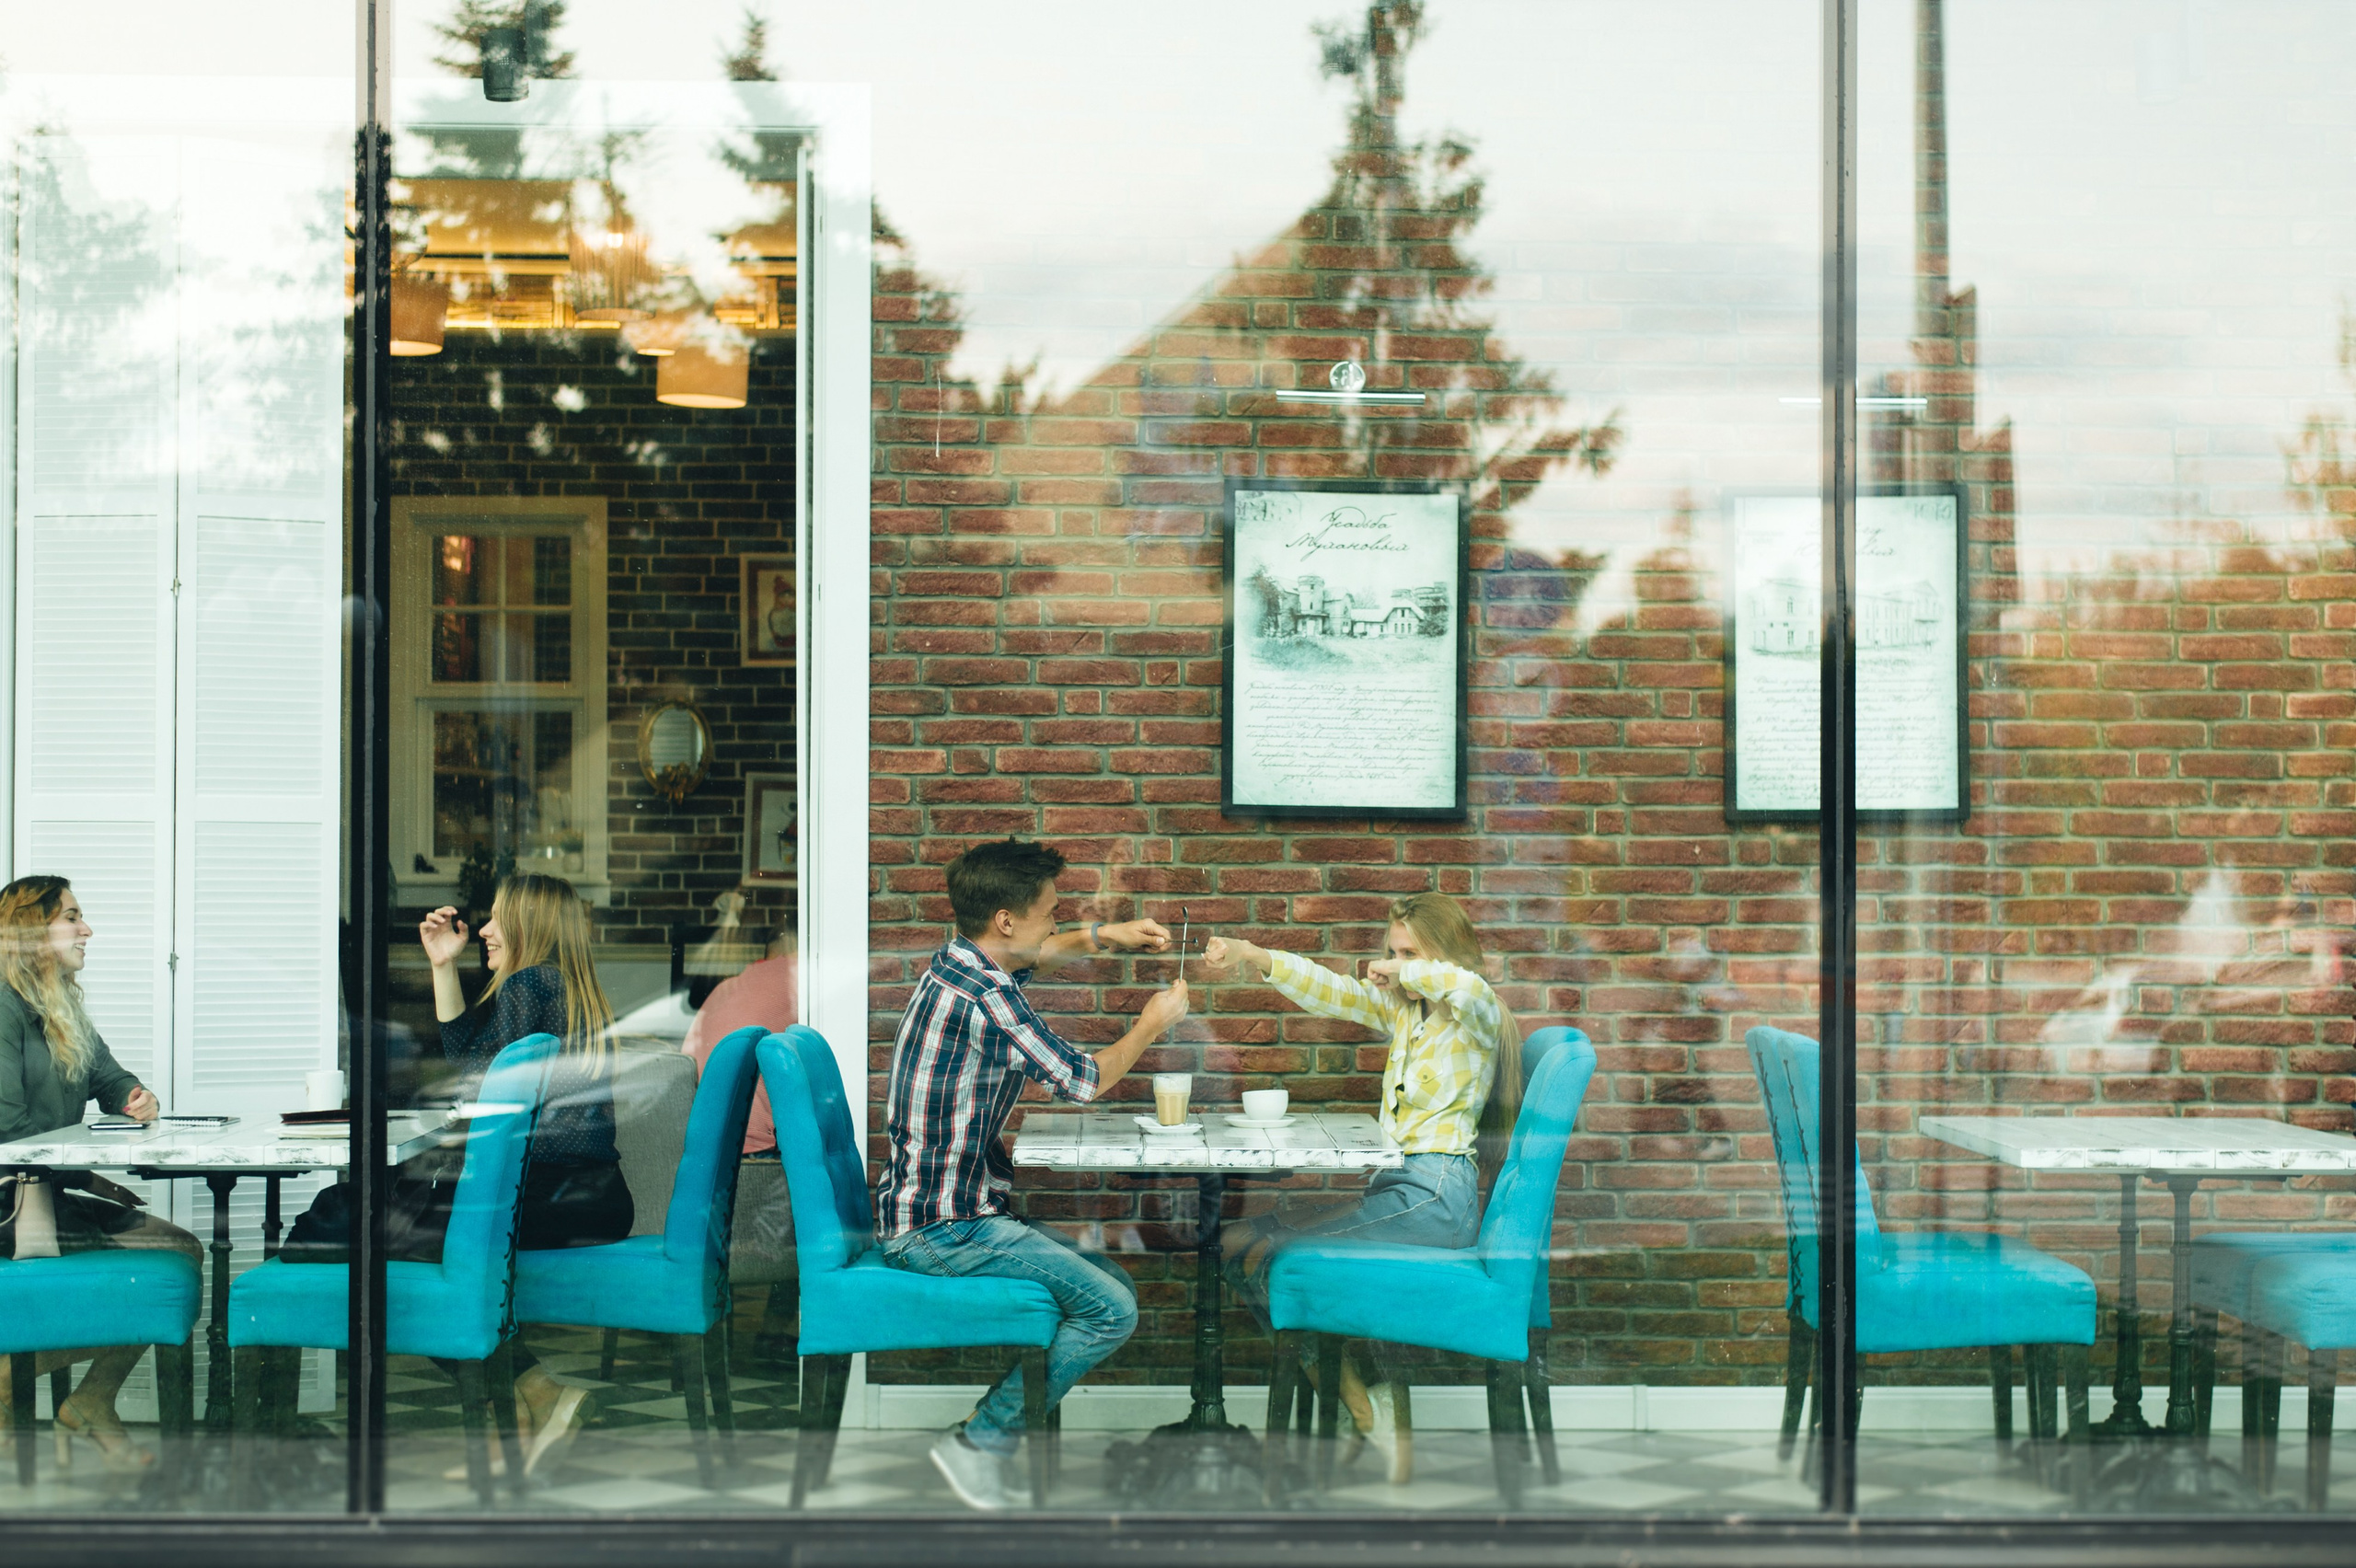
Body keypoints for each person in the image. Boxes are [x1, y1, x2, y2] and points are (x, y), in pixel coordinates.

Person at [876, 838, 1184, 1510]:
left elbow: (1044, 949)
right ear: (1006, 920)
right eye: (1051, 911)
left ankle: (989, 1437)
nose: (1057, 922)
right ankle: (979, 1442)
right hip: (943, 1230)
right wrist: (1151, 1024)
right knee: (1114, 1308)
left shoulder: (960, 964)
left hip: (941, 1211)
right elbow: (1084, 1080)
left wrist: (1109, 935)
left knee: (1114, 1281)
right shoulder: (987, 997)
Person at [285, 871, 625, 1476]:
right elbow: (473, 1057)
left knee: (343, 1231)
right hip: (581, 1193)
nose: (486, 931)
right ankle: (516, 1421)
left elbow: (473, 1079)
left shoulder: (530, 983)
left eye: (497, 919)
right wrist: (444, 966)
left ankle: (539, 1391)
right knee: (376, 1226)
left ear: (529, 927)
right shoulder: (558, 987)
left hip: (550, 1191)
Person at [1203, 891, 1520, 1485]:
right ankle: (1364, 1397)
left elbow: (1468, 985)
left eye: (1409, 954)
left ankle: (1361, 1407)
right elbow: (1334, 990)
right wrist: (1252, 955)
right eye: (1390, 951)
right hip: (1397, 1191)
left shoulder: (1474, 1013)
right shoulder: (1406, 1011)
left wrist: (1406, 970)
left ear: (1442, 956)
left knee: (1276, 1258)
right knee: (1238, 1246)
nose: (1395, 965)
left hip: (1436, 1196)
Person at [0, 875, 200, 1471]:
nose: (86, 929)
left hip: (52, 1195)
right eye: (72, 917)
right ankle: (14, 1377)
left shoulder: (62, 1007)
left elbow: (112, 1083)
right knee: (161, 1270)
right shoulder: (3, 1008)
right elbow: (6, 1131)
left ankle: (91, 1399)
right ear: (33, 931)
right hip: (11, 1206)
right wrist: (88, 1173)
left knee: (179, 1253)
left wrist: (138, 1099)